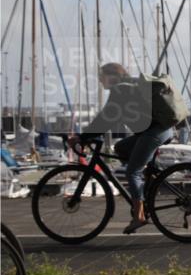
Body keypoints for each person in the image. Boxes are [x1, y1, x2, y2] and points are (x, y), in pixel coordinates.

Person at [67, 63, 175, 234]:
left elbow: (106, 118)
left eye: (101, 77)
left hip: (155, 131)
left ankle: (139, 216)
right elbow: (108, 119)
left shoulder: (121, 90)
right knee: (120, 148)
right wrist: (87, 135)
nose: (100, 81)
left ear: (112, 76)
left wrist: (82, 137)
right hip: (156, 130)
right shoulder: (127, 87)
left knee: (132, 172)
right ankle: (146, 185)